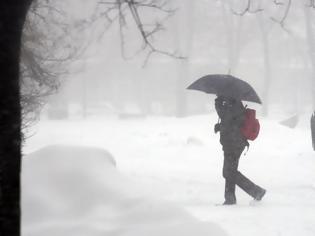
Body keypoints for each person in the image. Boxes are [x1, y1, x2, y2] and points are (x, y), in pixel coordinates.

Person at [214, 95, 266, 205]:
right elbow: (229, 122)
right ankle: (230, 198)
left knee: (228, 172)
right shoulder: (234, 104)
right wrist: (219, 126)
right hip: (234, 143)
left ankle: (256, 191)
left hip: (233, 144)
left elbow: (227, 119)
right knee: (230, 172)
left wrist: (218, 102)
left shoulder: (232, 105)